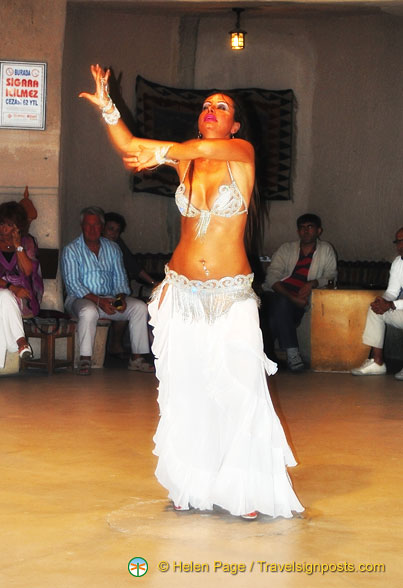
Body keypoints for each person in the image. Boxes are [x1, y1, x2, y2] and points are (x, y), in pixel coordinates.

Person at [79, 64, 304, 519]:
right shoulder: (185, 159)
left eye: (221, 107)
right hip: (180, 292)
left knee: (240, 390)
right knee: (187, 388)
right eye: (205, 105)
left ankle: (244, 490)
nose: (210, 111)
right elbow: (129, 146)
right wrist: (108, 108)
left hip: (230, 297)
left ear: (234, 124)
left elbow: (186, 148)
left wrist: (159, 152)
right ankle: (190, 481)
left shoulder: (241, 152)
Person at [61, 206, 154, 375]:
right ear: (82, 226)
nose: (92, 229)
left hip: (109, 299)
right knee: (88, 311)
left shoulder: (113, 248)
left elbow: (120, 280)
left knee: (139, 307)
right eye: (88, 225)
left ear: (102, 227)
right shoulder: (71, 250)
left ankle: (137, 358)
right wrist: (99, 301)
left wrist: (119, 300)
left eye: (96, 225)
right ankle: (85, 359)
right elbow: (73, 285)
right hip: (80, 299)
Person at [262, 214, 337, 372]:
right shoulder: (286, 248)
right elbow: (272, 275)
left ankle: (266, 356)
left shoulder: (325, 250)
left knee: (276, 314)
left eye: (310, 227)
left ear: (319, 230)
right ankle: (292, 353)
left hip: (299, 298)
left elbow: (331, 276)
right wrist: (292, 298)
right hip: (276, 293)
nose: (306, 231)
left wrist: (313, 282)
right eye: (302, 228)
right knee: (280, 301)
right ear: (298, 231)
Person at [351, 227, 403, 380]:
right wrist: (384, 301)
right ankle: (377, 363)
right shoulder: (398, 262)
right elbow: (392, 291)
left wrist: (392, 305)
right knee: (375, 308)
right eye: (398, 241)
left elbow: (394, 302)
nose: (400, 245)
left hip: (399, 306)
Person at [103, 211, 157, 357]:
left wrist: (154, 283)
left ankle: (133, 353)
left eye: (117, 231)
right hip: (95, 295)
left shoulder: (117, 245)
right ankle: (115, 346)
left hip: (118, 292)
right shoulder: (92, 245)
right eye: (110, 229)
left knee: (128, 306)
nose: (113, 234)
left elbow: (134, 267)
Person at [0, 201, 43, 367]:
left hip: (24, 297)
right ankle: (20, 342)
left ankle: (16, 345)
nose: (4, 229)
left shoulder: (27, 242)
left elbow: (27, 271)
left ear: (18, 227)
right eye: (2, 223)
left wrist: (18, 246)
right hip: (8, 290)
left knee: (3, 301)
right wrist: (12, 287)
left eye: (9, 225)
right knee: (4, 296)